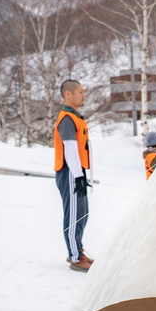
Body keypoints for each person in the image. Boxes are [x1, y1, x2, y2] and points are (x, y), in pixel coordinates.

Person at [55, 79, 94, 272]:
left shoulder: (76, 117)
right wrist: (78, 176)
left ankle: (78, 249)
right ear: (68, 94)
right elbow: (69, 148)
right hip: (70, 172)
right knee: (73, 216)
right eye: (80, 92)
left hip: (77, 171)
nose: (83, 95)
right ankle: (75, 256)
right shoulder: (67, 119)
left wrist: (82, 174)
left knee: (82, 213)